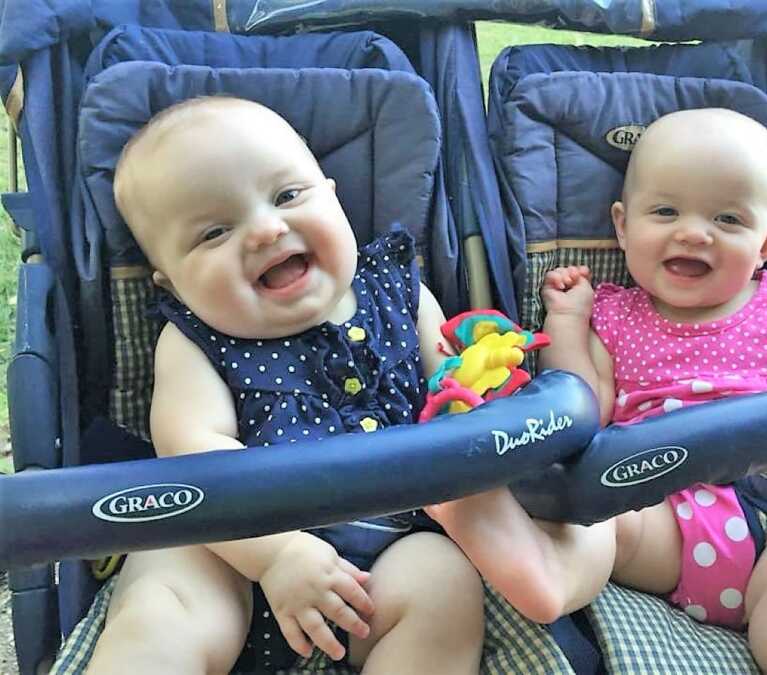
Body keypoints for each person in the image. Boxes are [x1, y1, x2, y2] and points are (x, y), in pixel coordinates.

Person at [428, 108, 767, 674]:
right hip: (657, 503)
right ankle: (545, 573)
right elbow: (581, 408)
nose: (693, 231)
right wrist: (566, 322)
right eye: (665, 212)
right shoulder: (613, 315)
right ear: (622, 226)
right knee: (591, 517)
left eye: (728, 219)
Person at [87, 96, 484, 675]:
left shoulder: (399, 294)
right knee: (165, 598)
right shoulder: (197, 341)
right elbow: (191, 457)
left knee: (444, 585)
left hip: (390, 543)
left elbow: (457, 394)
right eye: (215, 231)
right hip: (231, 544)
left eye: (287, 196)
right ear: (170, 282)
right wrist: (275, 555)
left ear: (332, 193)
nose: (267, 230)